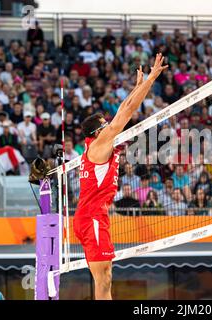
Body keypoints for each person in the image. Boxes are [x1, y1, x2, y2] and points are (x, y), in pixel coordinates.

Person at [73, 54, 167, 300]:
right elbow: (127, 111)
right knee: (103, 280)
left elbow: (122, 110)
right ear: (97, 132)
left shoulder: (96, 145)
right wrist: (152, 78)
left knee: (106, 279)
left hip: (93, 215)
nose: (110, 126)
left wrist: (138, 86)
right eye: (105, 125)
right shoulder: (98, 145)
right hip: (92, 217)